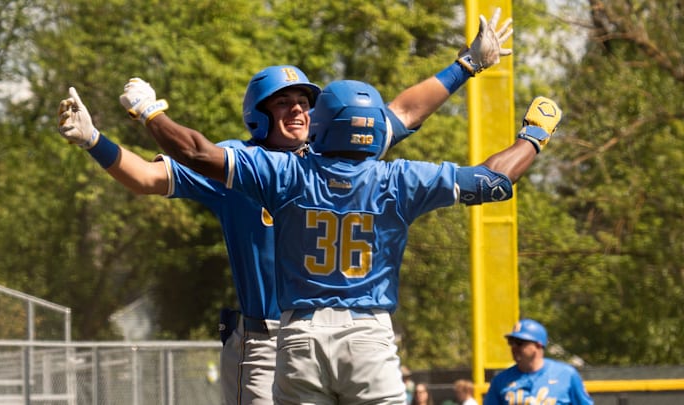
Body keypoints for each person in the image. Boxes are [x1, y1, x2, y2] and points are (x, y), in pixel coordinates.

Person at [57, 8, 513, 405]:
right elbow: (146, 177)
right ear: (259, 114)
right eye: (284, 103)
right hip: (264, 341)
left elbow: (404, 112)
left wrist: (467, 65)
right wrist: (95, 142)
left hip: (335, 333)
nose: (299, 111)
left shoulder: (336, 153)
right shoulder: (238, 163)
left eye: (304, 103)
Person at [483, 319, 593, 405]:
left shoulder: (566, 375)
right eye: (511, 342)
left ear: (538, 345)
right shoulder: (500, 380)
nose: (514, 347)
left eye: (520, 342)